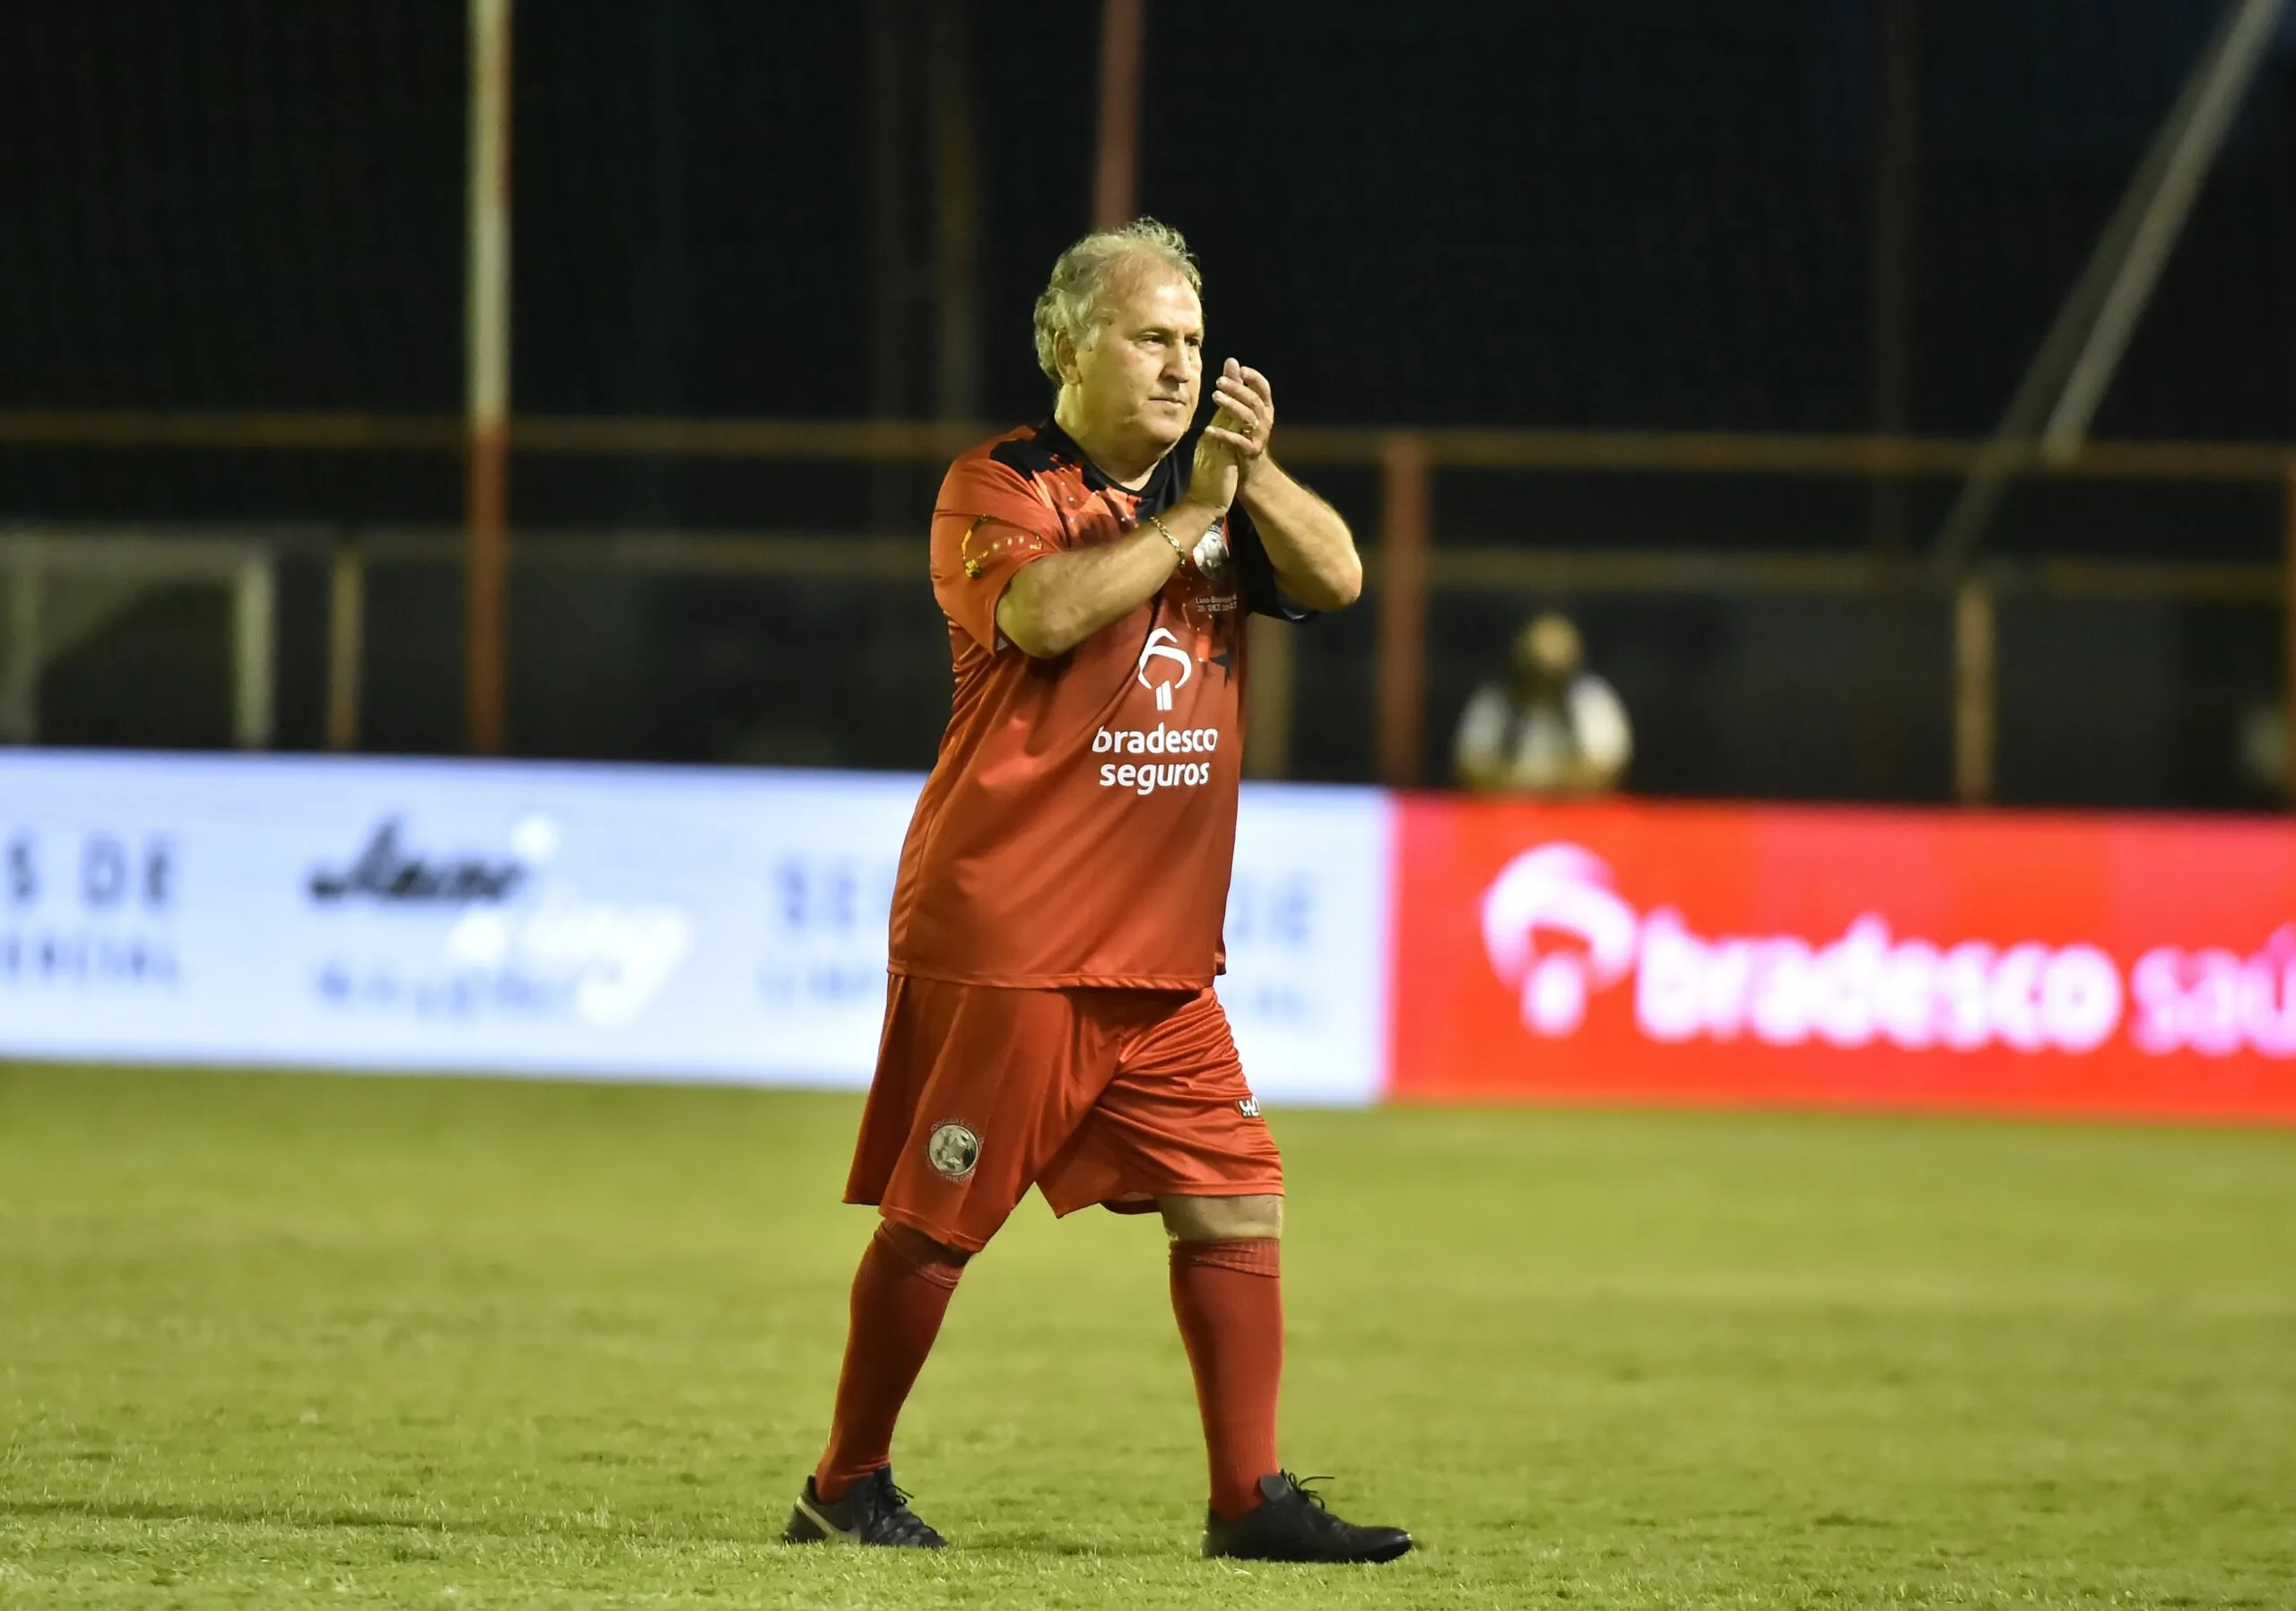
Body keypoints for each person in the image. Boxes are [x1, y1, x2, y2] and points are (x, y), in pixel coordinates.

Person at [780, 220, 1412, 1564]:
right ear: (1071, 346)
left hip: (1156, 955)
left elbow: (1344, 576)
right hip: (1013, 930)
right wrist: (1191, 515)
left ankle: (1248, 1502)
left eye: (1193, 341)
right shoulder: (998, 485)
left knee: (1237, 1192)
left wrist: (1252, 475)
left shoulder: (1221, 497)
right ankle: (845, 1484)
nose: (1179, 366)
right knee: (939, 1221)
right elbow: (1045, 620)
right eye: (1150, 337)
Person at [1453, 613, 1633, 794]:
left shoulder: (1591, 697)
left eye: (1554, 672)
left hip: (1577, 815)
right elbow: (1469, 766)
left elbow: (1607, 769)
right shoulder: (1495, 700)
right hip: (1504, 812)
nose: (1544, 680)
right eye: (1537, 669)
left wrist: (1541, 783)